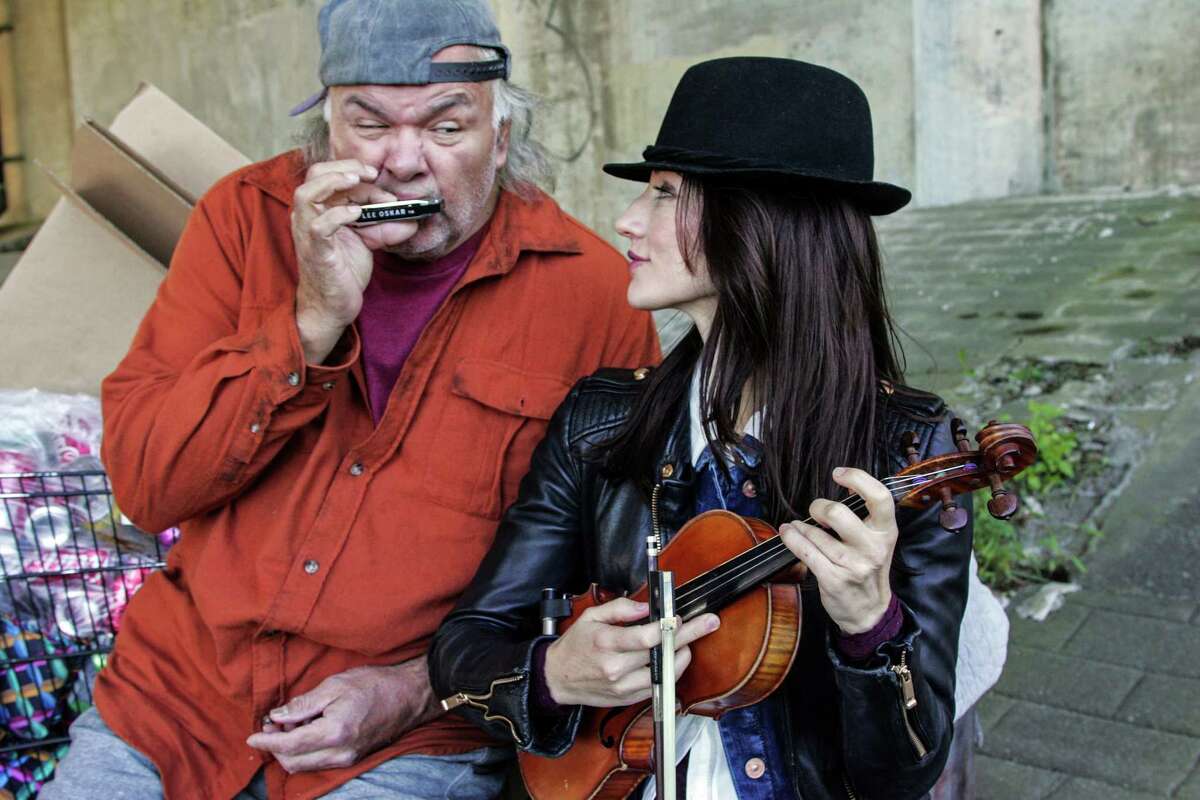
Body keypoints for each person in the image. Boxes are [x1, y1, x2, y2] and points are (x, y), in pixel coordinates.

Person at [42, 1, 659, 798]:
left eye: (445, 127)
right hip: (178, 707)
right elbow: (148, 486)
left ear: (501, 140)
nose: (403, 163)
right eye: (369, 124)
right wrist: (309, 323)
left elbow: (596, 580)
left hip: (413, 736)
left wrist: (413, 688)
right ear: (324, 135)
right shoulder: (241, 221)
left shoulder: (595, 295)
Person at [430, 57, 974, 799]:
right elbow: (463, 651)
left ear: (765, 225)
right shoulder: (600, 424)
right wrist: (556, 675)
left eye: (665, 196)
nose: (627, 220)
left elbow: (902, 772)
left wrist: (870, 626)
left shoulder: (907, 448)